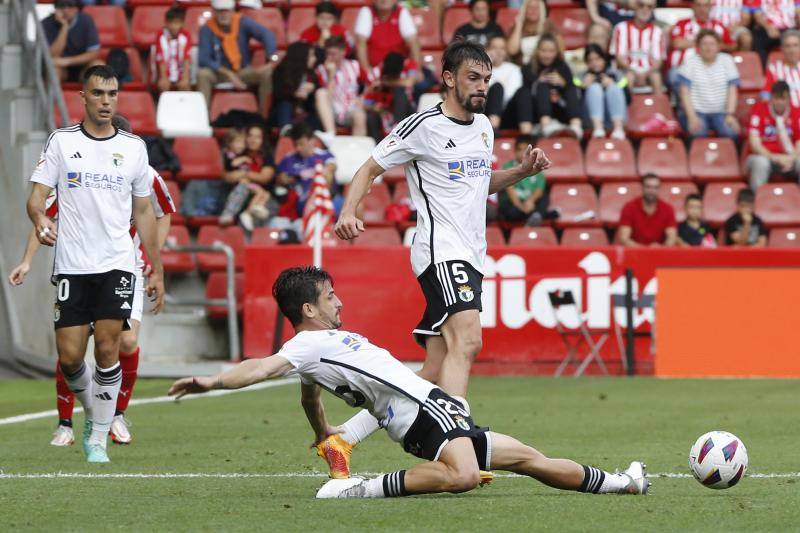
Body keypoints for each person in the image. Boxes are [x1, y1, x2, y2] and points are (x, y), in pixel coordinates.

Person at [168, 266, 650, 499]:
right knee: (462, 477)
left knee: (529, 459)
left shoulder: (319, 350)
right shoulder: (304, 346)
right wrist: (211, 381)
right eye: (330, 297)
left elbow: (309, 394)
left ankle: (625, 484)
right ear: (309, 310)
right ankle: (359, 491)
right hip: (427, 413)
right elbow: (260, 368)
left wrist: (326, 435)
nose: (340, 302)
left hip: (437, 409)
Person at [331, 41, 552, 479]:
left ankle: (344, 437)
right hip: (440, 250)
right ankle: (461, 445)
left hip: (470, 255)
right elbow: (368, 168)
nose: (482, 87)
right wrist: (348, 211)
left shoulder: (484, 128)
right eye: (474, 78)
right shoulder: (423, 127)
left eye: (487, 80)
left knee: (433, 368)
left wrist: (522, 173)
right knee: (467, 341)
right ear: (449, 77)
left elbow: (479, 183)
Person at [25, 66, 165, 463]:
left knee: (108, 348)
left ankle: (98, 436)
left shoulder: (134, 147)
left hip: (117, 263)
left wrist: (156, 268)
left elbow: (144, 211)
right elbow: (37, 197)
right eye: (99, 94)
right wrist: (39, 218)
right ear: (82, 97)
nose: (106, 101)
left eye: (112, 94)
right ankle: (94, 411)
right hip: (72, 264)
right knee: (70, 357)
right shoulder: (62, 142)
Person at [196, 0, 275, 111]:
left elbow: (267, 34)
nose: (224, 15)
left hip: (243, 70)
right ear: (214, 12)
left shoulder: (242, 22)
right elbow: (204, 59)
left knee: (268, 74)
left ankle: (264, 117)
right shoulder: (206, 29)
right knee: (203, 75)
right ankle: (203, 117)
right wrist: (228, 74)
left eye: (227, 11)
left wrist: (271, 58)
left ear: (232, 11)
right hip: (219, 72)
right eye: (220, 11)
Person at [676, 30, 741, 141]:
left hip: (721, 112)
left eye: (712, 44)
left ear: (718, 46)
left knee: (731, 133)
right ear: (698, 47)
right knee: (698, 134)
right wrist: (692, 117)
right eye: (704, 44)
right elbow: (684, 93)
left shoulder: (727, 60)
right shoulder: (689, 62)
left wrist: (730, 115)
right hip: (697, 112)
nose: (708, 48)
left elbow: (732, 90)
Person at [526, 34, 583, 138]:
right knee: (542, 85)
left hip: (561, 110)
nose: (547, 55)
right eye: (544, 51)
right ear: (537, 51)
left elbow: (574, 90)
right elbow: (525, 95)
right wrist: (538, 82)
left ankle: (576, 126)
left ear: (557, 52)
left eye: (551, 51)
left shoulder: (563, 67)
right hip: (537, 114)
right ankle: (546, 125)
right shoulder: (529, 68)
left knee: (571, 87)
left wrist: (563, 84)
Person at [271, 42, 335, 135]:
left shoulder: (311, 74)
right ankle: (285, 129)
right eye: (311, 56)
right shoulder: (281, 71)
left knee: (317, 106)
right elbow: (278, 94)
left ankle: (322, 134)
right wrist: (295, 93)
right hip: (286, 112)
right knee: (284, 104)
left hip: (304, 114)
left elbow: (317, 98)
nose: (314, 59)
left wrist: (312, 90)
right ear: (302, 56)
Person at [277, 123, 340, 218]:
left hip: (327, 198)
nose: (298, 148)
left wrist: (319, 172)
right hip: (302, 201)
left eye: (301, 144)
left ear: (312, 140)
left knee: (355, 207)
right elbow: (280, 179)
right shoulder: (289, 159)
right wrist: (289, 178)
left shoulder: (325, 156)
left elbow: (331, 166)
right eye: (295, 144)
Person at [746, 81, 800, 189]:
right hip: (764, 157)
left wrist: (792, 158)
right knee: (761, 163)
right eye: (776, 98)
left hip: (790, 158)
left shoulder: (797, 112)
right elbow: (755, 144)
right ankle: (757, 201)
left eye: (783, 98)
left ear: (789, 99)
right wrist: (774, 158)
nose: (780, 102)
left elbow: (799, 141)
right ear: (771, 98)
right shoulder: (758, 110)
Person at [218, 128, 273, 230]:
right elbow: (227, 175)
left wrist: (244, 174)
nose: (253, 140)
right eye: (250, 136)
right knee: (242, 189)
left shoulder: (266, 156)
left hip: (253, 191)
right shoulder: (238, 154)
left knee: (266, 196)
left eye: (257, 137)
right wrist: (239, 175)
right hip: (238, 190)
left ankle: (250, 211)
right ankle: (230, 214)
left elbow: (264, 178)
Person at [315, 36, 368, 137]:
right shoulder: (321, 70)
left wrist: (361, 99)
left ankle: (358, 148)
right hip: (331, 110)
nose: (329, 57)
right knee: (321, 93)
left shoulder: (355, 66)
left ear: (343, 52)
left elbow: (368, 86)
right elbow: (327, 98)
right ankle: (330, 135)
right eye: (327, 53)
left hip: (351, 109)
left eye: (333, 54)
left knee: (360, 116)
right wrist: (331, 76)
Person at [668, 0, 735, 78]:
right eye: (698, 5)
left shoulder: (718, 26)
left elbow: (732, 46)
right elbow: (677, 43)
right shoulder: (682, 23)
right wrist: (710, 44)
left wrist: (718, 46)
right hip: (681, 68)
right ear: (693, 6)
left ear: (710, 7)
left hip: (712, 70)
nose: (702, 9)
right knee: (674, 76)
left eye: (705, 5)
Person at [610, 0, 666, 94]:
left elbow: (659, 60)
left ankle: (659, 107)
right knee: (629, 77)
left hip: (649, 71)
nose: (645, 9)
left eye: (649, 7)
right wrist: (634, 72)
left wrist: (645, 74)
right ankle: (626, 108)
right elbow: (619, 57)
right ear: (635, 6)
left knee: (656, 77)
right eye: (641, 5)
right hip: (627, 70)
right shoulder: (621, 28)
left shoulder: (657, 31)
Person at [354, 0, 422, 76]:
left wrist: (417, 70)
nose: (384, 0)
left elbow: (414, 43)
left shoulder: (402, 12)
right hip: (374, 70)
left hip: (399, 71)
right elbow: (360, 43)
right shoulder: (366, 12)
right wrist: (367, 72)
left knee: (422, 83)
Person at [41, 0, 101, 83]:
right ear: (55, 8)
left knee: (98, 66)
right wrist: (64, 26)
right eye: (61, 5)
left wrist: (66, 62)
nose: (66, 10)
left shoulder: (86, 20)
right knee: (54, 70)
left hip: (81, 68)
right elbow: (53, 55)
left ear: (76, 8)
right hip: (61, 69)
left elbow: (93, 54)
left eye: (70, 5)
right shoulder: (46, 23)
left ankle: (93, 96)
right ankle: (53, 96)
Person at [485, 35, 534, 135]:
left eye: (502, 48)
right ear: (487, 50)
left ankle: (527, 134)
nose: (498, 51)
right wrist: (486, 61)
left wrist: (499, 88)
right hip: (486, 111)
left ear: (506, 51)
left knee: (524, 91)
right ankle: (493, 129)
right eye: (494, 48)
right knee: (497, 87)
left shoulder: (514, 69)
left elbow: (513, 92)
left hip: (509, 112)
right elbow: (482, 90)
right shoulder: (482, 68)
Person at [363, 52, 416, 141]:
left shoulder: (409, 64)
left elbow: (409, 82)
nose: (392, 77)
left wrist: (386, 83)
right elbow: (365, 103)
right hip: (382, 110)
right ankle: (377, 147)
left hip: (406, 109)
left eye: (394, 75)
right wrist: (373, 107)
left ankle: (399, 131)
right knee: (370, 117)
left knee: (400, 92)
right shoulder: (375, 74)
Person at [579, 43, 628, 139]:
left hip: (615, 118)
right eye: (590, 60)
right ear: (586, 62)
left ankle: (618, 129)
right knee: (594, 88)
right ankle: (598, 129)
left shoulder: (616, 74)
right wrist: (583, 88)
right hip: (590, 120)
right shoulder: (581, 77)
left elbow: (628, 99)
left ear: (604, 59)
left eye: (598, 59)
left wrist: (611, 83)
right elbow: (574, 103)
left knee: (613, 88)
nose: (594, 63)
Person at [498, 135, 549, 226]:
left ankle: (534, 216)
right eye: (519, 149)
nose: (522, 153)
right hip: (514, 203)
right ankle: (533, 217)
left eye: (525, 150)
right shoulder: (508, 166)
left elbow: (539, 190)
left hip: (530, 203)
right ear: (515, 151)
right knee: (511, 210)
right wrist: (519, 206)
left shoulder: (537, 168)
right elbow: (509, 189)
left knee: (544, 198)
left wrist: (530, 201)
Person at [617, 173, 678, 246]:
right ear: (642, 187)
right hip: (634, 253)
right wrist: (644, 250)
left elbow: (672, 238)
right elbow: (624, 238)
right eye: (648, 187)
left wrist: (661, 248)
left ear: (659, 189)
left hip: (659, 253)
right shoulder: (629, 207)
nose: (651, 191)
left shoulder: (668, 209)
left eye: (655, 187)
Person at [507, 0, 560, 65]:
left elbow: (559, 48)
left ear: (542, 10)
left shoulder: (548, 25)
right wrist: (519, 26)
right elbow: (512, 51)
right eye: (530, 7)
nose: (533, 10)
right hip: (522, 67)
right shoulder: (517, 26)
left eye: (537, 8)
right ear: (524, 10)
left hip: (545, 65)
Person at [153, 6, 192, 94]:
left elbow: (186, 58)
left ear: (182, 23)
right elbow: (160, 58)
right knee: (163, 85)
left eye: (177, 23)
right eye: (171, 23)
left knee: (186, 87)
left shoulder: (186, 36)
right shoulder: (161, 36)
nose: (173, 26)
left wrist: (185, 78)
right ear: (166, 23)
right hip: (165, 74)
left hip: (180, 74)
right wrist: (163, 77)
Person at [750, 0, 800, 66]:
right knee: (759, 41)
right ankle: (764, 68)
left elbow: (798, 11)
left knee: (794, 40)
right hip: (767, 28)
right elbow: (757, 16)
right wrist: (768, 27)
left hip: (790, 28)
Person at [762, 30, 800, 108]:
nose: (792, 50)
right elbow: (765, 95)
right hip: (786, 117)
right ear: (782, 48)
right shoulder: (774, 70)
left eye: (795, 45)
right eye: (788, 46)